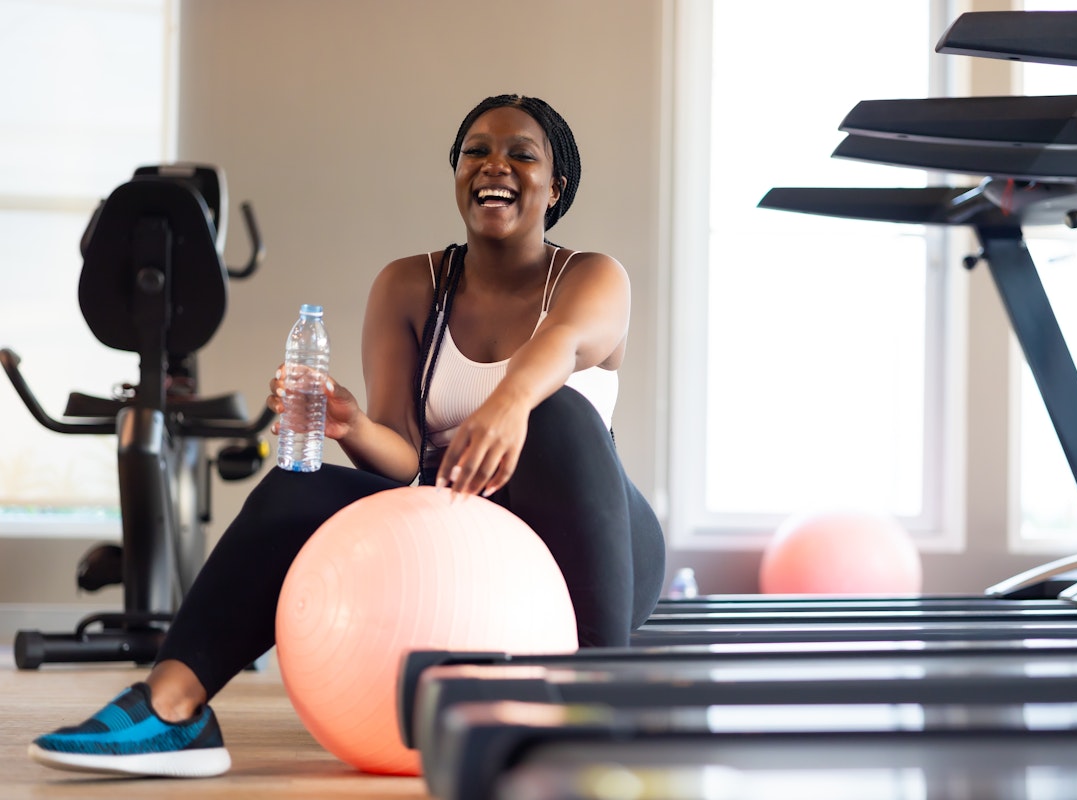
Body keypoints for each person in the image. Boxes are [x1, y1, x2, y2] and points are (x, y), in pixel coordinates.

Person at [28, 93, 666, 779]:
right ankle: (171, 709)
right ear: (457, 171)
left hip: (589, 544)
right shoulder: (409, 285)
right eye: (476, 150)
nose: (494, 165)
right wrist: (353, 425)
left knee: (558, 414)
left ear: (555, 184)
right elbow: (401, 461)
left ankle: (597, 704)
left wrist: (512, 401)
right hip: (462, 543)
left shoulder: (593, 276)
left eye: (521, 153)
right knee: (296, 485)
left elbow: (567, 345)